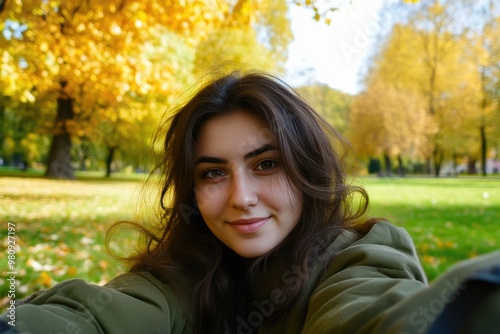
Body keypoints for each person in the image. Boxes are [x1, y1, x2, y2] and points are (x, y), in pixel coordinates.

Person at [1, 72, 499, 334]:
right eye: (213, 172)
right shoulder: (182, 273)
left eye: (266, 164)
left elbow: (371, 313)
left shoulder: (355, 257)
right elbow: (103, 314)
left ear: (306, 168)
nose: (241, 198)